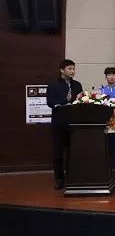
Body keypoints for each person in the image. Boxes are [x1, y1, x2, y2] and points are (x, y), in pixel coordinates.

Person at [46, 59, 83, 189]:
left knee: (73, 153)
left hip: (73, 123)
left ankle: (72, 177)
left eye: (74, 68)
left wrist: (80, 100)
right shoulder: (53, 85)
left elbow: (80, 102)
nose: (72, 71)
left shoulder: (77, 85)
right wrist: (67, 100)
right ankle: (59, 179)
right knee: (58, 153)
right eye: (69, 69)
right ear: (62, 70)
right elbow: (50, 103)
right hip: (59, 124)